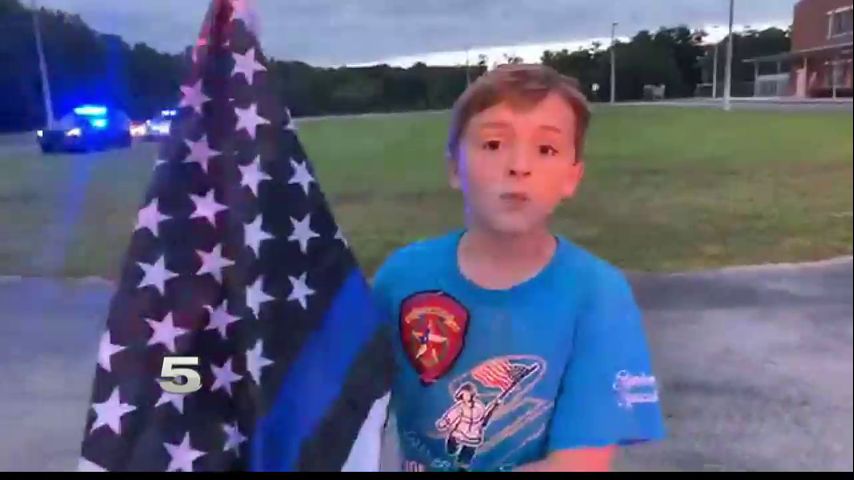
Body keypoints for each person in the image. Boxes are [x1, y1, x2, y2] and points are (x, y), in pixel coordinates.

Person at [371, 63, 666, 472]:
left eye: (546, 149)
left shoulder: (598, 295)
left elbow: (576, 466)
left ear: (572, 178)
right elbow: (344, 406)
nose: (519, 166)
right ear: (455, 167)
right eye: (493, 144)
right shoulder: (402, 278)